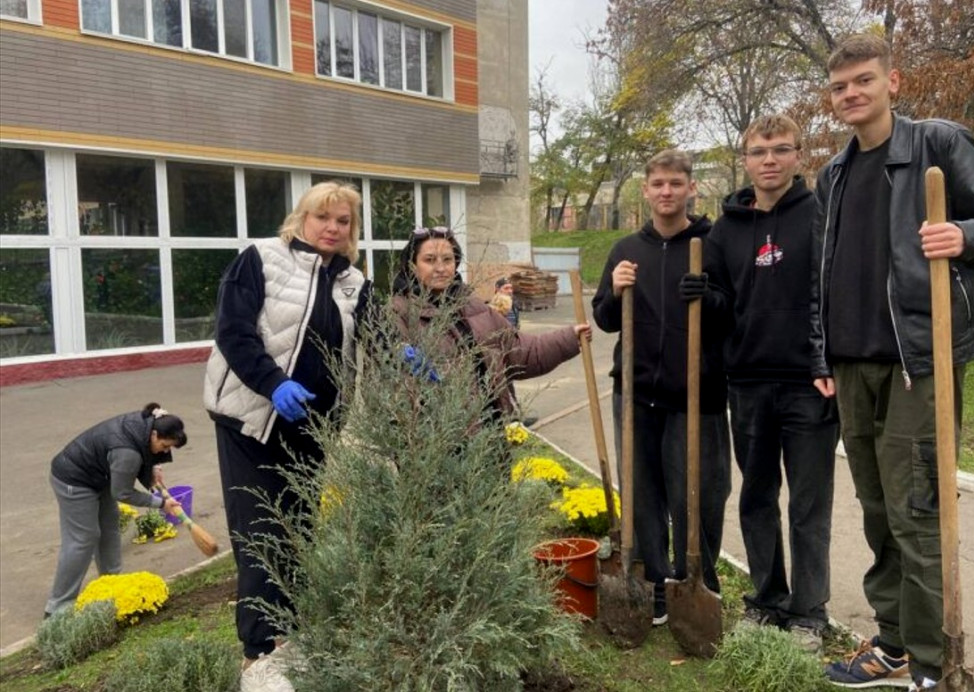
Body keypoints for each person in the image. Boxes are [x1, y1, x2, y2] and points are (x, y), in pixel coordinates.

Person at [811, 34, 974, 691]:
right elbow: (823, 273)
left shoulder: (937, 146)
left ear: (892, 82)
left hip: (917, 359)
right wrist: (822, 351)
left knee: (917, 510)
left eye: (864, 80)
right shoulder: (833, 175)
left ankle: (931, 660)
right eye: (840, 87)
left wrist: (967, 234)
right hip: (852, 365)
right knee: (877, 509)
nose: (851, 94)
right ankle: (893, 642)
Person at [204, 181, 372, 691]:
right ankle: (257, 653)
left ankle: (290, 636)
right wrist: (273, 383)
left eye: (343, 221)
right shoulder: (261, 259)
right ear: (301, 218)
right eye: (323, 217)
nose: (332, 228)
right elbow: (233, 332)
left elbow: (378, 333)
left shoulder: (353, 283)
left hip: (311, 430)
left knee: (298, 532)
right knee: (261, 534)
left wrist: (406, 352)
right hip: (252, 423)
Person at [701, 115, 839, 653]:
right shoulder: (726, 229)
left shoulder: (820, 214)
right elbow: (722, 304)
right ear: (745, 160)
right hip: (748, 383)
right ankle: (767, 600)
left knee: (809, 505)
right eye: (759, 151)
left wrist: (827, 361)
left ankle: (809, 613)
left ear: (799, 155)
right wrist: (703, 295)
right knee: (757, 498)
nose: (770, 160)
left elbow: (832, 293)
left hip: (809, 383)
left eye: (781, 149)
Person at [592, 149, 732, 627]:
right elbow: (605, 319)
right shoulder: (626, 249)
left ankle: (696, 582)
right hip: (635, 393)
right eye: (658, 184)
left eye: (675, 183)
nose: (666, 191)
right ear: (646, 190)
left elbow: (734, 313)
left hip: (696, 394)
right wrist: (615, 290)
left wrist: (709, 297)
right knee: (641, 494)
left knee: (698, 494)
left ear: (692, 188)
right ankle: (653, 585)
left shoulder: (713, 246)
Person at [390, 226, 589, 423]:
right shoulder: (398, 315)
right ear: (412, 266)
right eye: (429, 260)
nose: (441, 268)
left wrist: (570, 337)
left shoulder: (475, 307)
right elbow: (393, 387)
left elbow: (523, 351)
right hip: (440, 438)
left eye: (447, 259)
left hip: (492, 435)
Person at [45, 403, 186, 617]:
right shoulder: (127, 453)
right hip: (73, 480)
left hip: (98, 476)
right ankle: (58, 606)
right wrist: (161, 503)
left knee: (109, 528)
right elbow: (123, 493)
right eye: (165, 446)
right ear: (154, 434)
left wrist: (155, 466)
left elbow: (143, 455)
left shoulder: (148, 423)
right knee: (83, 539)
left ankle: (111, 583)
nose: (165, 452)